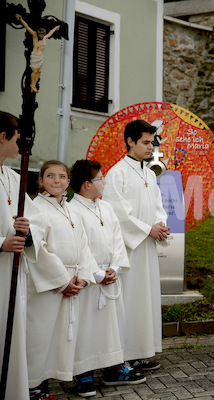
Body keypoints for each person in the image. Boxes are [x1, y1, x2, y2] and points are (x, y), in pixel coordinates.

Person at [69, 160, 146, 397]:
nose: (104, 182)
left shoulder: (107, 208)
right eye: (100, 178)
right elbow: (78, 247)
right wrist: (98, 274)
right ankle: (84, 373)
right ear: (86, 185)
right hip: (89, 278)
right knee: (87, 327)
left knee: (112, 326)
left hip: (110, 276)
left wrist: (114, 267)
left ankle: (114, 368)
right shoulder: (73, 210)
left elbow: (117, 240)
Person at [103, 119, 170, 371]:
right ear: (130, 141)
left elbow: (157, 206)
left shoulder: (148, 174)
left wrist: (160, 224)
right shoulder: (116, 173)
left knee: (145, 300)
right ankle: (122, 355)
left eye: (152, 142)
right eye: (145, 142)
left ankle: (140, 352)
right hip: (128, 249)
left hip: (147, 248)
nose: (150, 147)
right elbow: (117, 213)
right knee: (129, 301)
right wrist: (147, 229)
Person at [27, 160, 96, 400]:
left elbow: (85, 246)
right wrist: (61, 281)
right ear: (40, 180)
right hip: (49, 284)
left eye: (62, 176)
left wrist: (84, 278)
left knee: (61, 336)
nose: (57, 181)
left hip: (73, 278)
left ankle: (48, 383)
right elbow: (38, 249)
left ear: (68, 182)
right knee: (40, 336)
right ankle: (34, 387)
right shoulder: (35, 208)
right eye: (50, 176)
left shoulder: (71, 209)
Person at [0, 111, 42, 399]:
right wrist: (1, 243)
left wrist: (27, 232)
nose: (22, 148)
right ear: (3, 137)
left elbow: (36, 220)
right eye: (18, 140)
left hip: (11, 274)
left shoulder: (13, 177)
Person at [15, 14, 60, 93]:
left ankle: (34, 85)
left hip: (41, 56)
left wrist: (55, 28)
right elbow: (28, 27)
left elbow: (50, 33)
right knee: (34, 71)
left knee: (39, 71)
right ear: (39, 33)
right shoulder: (34, 36)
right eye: (41, 34)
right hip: (35, 56)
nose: (42, 36)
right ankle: (32, 84)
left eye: (43, 34)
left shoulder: (44, 38)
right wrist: (21, 19)